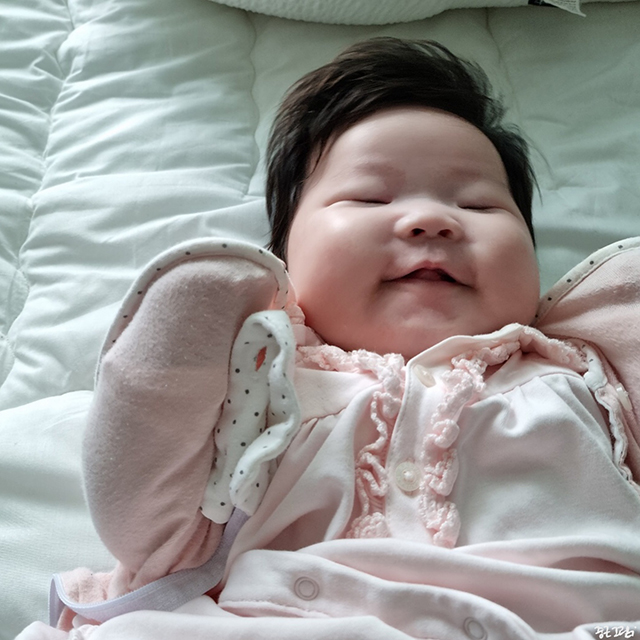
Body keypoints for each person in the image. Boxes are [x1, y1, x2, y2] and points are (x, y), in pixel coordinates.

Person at [18, 37, 640, 640]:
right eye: (370, 197)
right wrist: (183, 339)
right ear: (285, 258)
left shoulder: (590, 377)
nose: (432, 220)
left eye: (479, 205)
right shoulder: (263, 385)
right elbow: (154, 537)